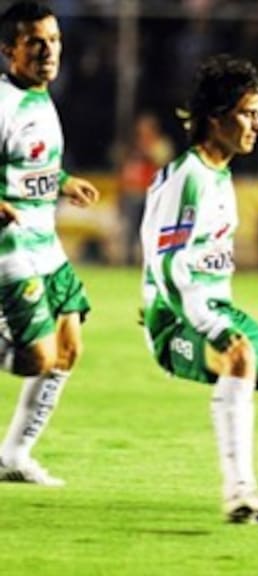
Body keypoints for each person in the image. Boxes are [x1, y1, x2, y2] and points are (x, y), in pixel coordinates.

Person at [140, 54, 258, 529]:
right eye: (248, 113)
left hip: (214, 308)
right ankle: (238, 492)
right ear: (216, 116)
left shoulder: (220, 174)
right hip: (176, 318)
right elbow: (167, 263)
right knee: (241, 356)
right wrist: (207, 324)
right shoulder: (188, 176)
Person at [0, 1, 100, 486]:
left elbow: (28, 163)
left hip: (46, 241)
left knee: (68, 346)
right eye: (35, 42)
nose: (48, 51)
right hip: (10, 246)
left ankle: (13, 457)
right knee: (36, 357)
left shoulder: (41, 98)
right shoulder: (3, 102)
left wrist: (62, 181)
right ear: (8, 50)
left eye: (54, 40)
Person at [117, 112, 173, 265]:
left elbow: (163, 164)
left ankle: (150, 260)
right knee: (130, 229)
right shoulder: (132, 145)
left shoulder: (160, 144)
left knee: (150, 229)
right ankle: (128, 259)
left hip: (150, 194)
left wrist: (147, 151)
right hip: (131, 192)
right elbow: (123, 167)